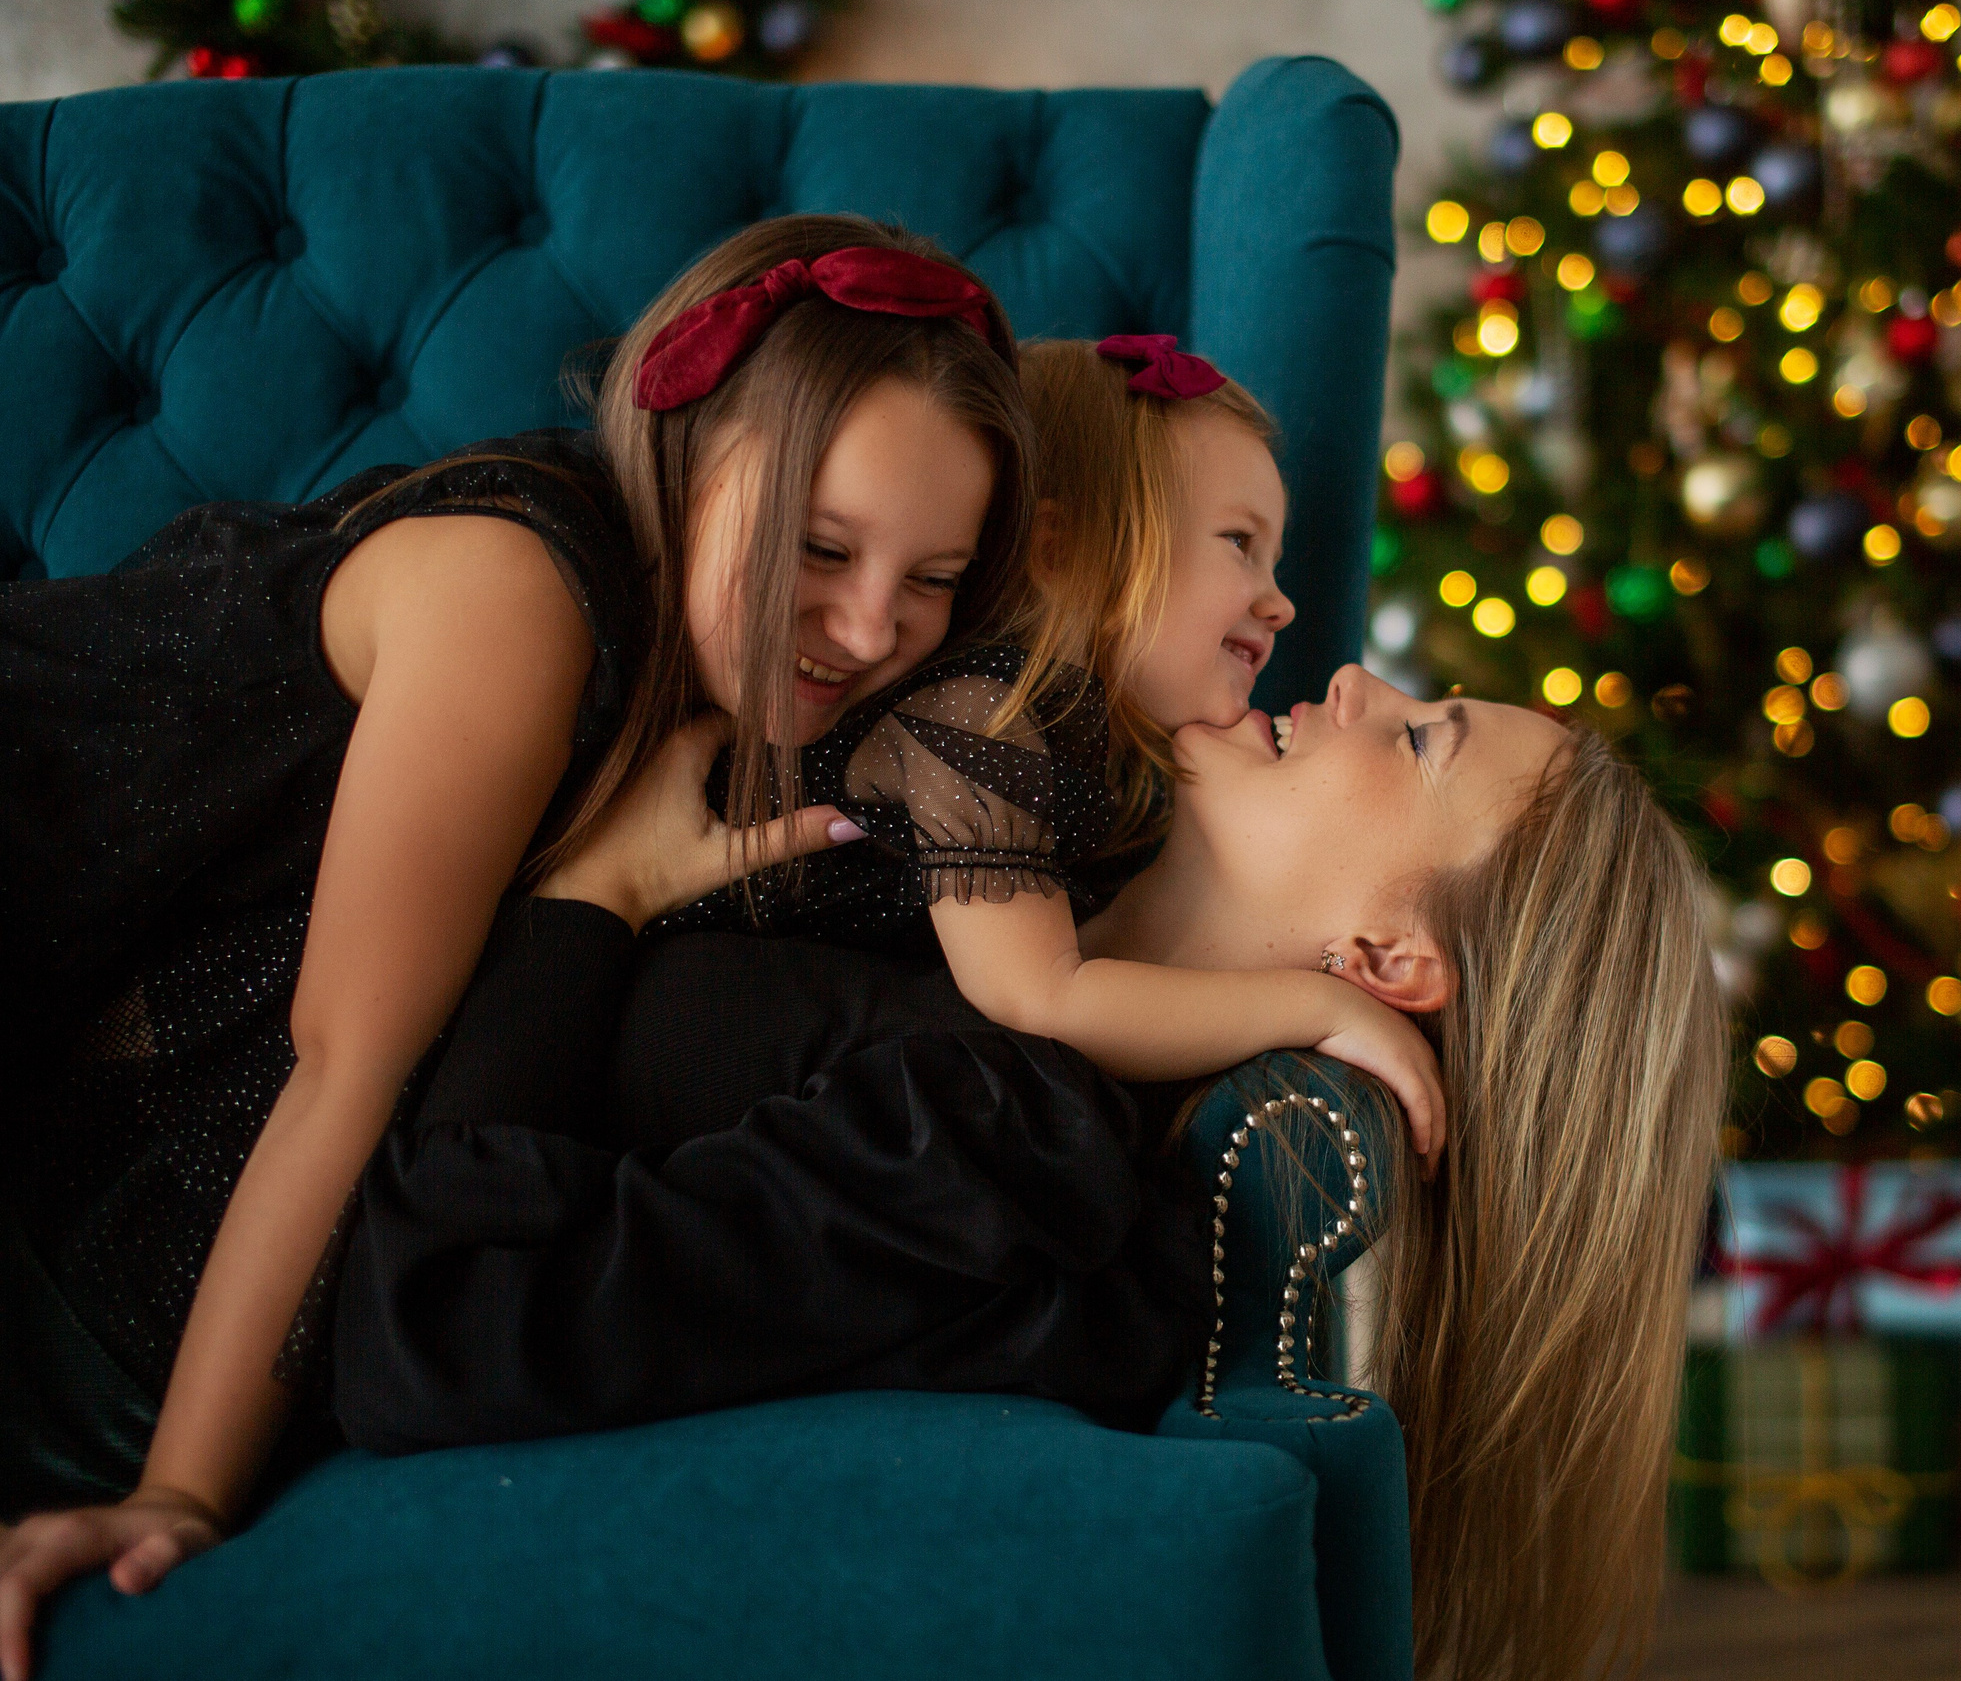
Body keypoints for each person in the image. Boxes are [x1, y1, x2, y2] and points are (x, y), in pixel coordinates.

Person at [0, 213, 1032, 1675]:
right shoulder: (517, 594)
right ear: (686, 454)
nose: (871, 625)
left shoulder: (747, 717)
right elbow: (342, 1059)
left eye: (932, 576)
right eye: (819, 543)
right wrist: (177, 1494)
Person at [335, 662, 1728, 1681]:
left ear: (1382, 957)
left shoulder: (1012, 1140)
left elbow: (443, 1315)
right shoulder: (1009, 895)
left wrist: (585, 898)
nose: (1357, 679)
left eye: (1422, 736)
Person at [638, 332, 1443, 1157]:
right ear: (1061, 550)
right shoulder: (980, 714)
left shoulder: (1073, 740)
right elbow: (1042, 995)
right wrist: (1322, 1007)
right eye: (1241, 543)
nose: (1281, 606)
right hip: (670, 1027)